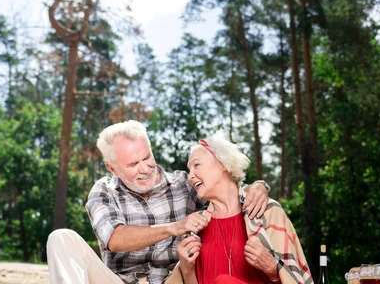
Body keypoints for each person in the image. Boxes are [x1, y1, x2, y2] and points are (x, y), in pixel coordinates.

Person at [47, 120, 271, 284]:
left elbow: (225, 192)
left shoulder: (184, 184)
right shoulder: (105, 191)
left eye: (147, 158)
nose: (144, 169)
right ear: (112, 168)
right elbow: (114, 238)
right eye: (133, 164)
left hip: (173, 281)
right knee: (61, 238)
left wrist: (257, 186)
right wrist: (174, 227)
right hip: (118, 281)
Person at [167, 137, 313, 284]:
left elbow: (295, 278)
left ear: (222, 164)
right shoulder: (195, 227)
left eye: (196, 165)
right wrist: (187, 271)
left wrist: (274, 270)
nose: (190, 176)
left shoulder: (267, 211)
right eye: (189, 169)